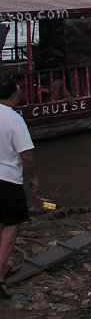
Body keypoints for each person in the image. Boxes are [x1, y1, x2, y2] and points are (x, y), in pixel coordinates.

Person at [0, 77, 38, 299]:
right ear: (13, 96)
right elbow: (25, 154)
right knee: (11, 228)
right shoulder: (14, 119)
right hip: (8, 180)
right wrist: (33, 177)